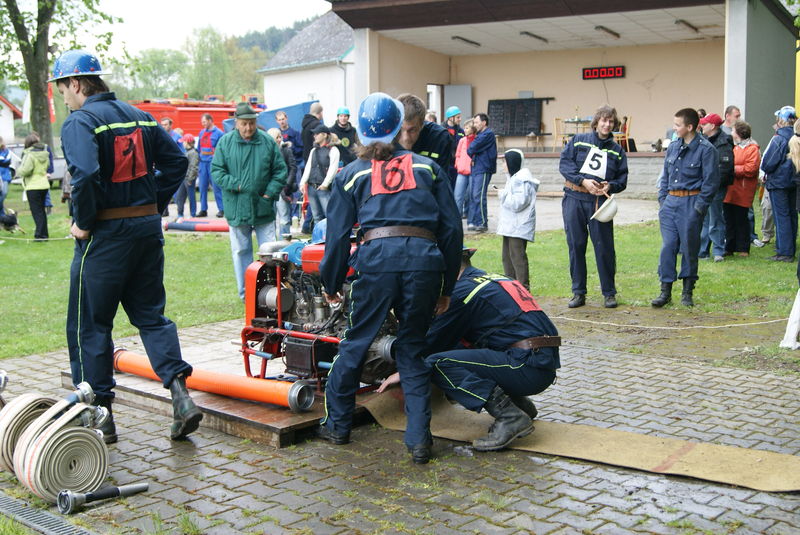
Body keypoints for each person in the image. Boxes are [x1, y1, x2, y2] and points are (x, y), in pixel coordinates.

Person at [52, 49, 202, 444]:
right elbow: (177, 163)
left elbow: (86, 174)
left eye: (62, 89)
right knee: (151, 317)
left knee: (90, 325)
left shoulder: (81, 121)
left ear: (76, 83)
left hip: (104, 236)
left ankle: (100, 416)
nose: (62, 98)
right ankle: (181, 395)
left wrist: (84, 222)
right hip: (145, 231)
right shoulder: (141, 116)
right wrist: (151, 204)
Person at [317, 92, 463, 464]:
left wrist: (331, 283)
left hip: (377, 263)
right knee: (412, 349)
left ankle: (337, 426)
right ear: (400, 128)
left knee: (356, 343)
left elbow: (336, 237)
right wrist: (446, 287)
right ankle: (419, 441)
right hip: (424, 265)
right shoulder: (429, 170)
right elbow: (451, 231)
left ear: (360, 133)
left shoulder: (350, 175)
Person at [378, 248, 560, 452]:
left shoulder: (461, 292)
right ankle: (518, 406)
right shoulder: (494, 279)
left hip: (525, 366)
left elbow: (433, 343)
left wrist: (405, 368)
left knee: (437, 363)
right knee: (462, 348)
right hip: (540, 363)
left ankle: (510, 417)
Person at [211, 102, 288, 300]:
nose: (248, 128)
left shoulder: (267, 142)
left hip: (263, 206)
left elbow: (280, 171)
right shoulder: (225, 143)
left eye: (251, 123)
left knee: (270, 251)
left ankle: (272, 291)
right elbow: (217, 171)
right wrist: (236, 185)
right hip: (237, 207)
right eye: (244, 124)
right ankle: (247, 294)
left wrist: (269, 193)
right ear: (236, 123)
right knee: (240, 251)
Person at [559, 105, 628, 308]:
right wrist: (582, 181)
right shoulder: (578, 140)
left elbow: (622, 179)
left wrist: (610, 186)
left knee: (604, 247)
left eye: (611, 122)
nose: (607, 125)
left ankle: (609, 293)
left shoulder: (617, 151)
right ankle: (578, 292)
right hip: (574, 198)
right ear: (596, 122)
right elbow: (565, 164)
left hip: (599, 203)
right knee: (576, 245)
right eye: (604, 120)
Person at [652, 108, 720, 308]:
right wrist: (663, 200)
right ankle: (665, 290)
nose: (674, 128)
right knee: (668, 247)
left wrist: (699, 207)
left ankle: (687, 291)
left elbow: (711, 182)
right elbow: (665, 176)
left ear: (689, 127)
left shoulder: (706, 150)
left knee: (690, 248)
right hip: (670, 203)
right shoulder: (673, 147)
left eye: (677, 125)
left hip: (691, 202)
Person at [497, 149, 539, 290]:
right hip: (510, 226)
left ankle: (523, 289)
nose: (502, 165)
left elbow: (518, 203)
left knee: (517, 257)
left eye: (504, 162)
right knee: (507, 258)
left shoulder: (522, 181)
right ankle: (511, 288)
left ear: (512, 162)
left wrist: (502, 195)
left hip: (518, 227)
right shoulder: (513, 179)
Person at [760, 106, 798, 262]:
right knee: (792, 216)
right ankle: (790, 248)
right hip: (794, 182)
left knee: (781, 216)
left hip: (779, 183)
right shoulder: (796, 137)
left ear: (781, 120)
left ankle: (784, 251)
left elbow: (768, 163)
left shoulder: (779, 139)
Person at [698, 113, 734, 262]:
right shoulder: (704, 140)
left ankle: (718, 251)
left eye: (704, 124)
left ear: (712, 126)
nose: (701, 126)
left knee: (715, 218)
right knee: (705, 219)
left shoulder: (724, 142)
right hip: (705, 186)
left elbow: (725, 167)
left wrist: (712, 185)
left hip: (716, 187)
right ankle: (703, 250)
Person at [723, 120, 760, 256]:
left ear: (739, 133)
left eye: (733, 130)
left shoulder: (752, 148)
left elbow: (751, 169)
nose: (731, 133)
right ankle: (729, 247)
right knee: (729, 219)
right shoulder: (734, 147)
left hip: (743, 189)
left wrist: (732, 169)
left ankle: (743, 248)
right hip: (730, 189)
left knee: (741, 219)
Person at [401, 94, 454, 173]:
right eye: (400, 130)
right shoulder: (387, 136)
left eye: (412, 130)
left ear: (422, 125)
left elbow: (443, 176)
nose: (405, 138)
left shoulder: (440, 137)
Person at [299, 124, 339, 226]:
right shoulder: (313, 150)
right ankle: (320, 235)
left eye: (317, 134)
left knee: (329, 215)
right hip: (311, 187)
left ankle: (330, 234)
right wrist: (302, 182)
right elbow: (308, 167)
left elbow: (333, 169)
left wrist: (325, 184)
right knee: (316, 216)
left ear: (325, 135)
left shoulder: (333, 150)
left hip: (324, 188)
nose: (314, 136)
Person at [466, 113, 497, 232]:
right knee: (474, 195)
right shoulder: (480, 135)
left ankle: (482, 223)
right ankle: (475, 221)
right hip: (477, 168)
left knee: (478, 195)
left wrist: (474, 150)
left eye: (477, 122)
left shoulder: (487, 134)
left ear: (484, 123)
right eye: (474, 122)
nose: (474, 125)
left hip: (484, 168)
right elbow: (471, 149)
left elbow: (471, 148)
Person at [18, 133, 51, 241]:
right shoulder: (45, 153)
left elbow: (26, 170)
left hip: (33, 185)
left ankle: (40, 235)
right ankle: (44, 234)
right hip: (44, 184)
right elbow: (48, 166)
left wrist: (18, 170)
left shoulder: (29, 154)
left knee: (36, 211)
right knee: (41, 210)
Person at [267, 127, 298, 237]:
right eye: (277, 137)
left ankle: (284, 241)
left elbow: (293, 168)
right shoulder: (266, 152)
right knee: (270, 219)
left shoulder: (286, 150)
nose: (279, 139)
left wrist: (287, 185)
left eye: (280, 136)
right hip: (269, 189)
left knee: (284, 219)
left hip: (283, 189)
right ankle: (271, 242)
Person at [197, 113, 225, 218]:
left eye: (204, 122)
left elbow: (222, 149)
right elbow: (199, 147)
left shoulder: (219, 133)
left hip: (213, 164)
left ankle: (222, 209)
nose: (203, 124)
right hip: (202, 163)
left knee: (216, 186)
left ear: (210, 120)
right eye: (202, 122)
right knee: (202, 187)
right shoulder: (201, 132)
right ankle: (203, 209)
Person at [454, 119, 475, 218]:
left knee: (469, 195)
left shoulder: (477, 140)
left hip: (472, 172)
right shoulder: (462, 140)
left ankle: (467, 213)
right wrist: (458, 164)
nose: (464, 130)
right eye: (464, 128)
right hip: (461, 172)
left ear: (473, 129)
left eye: (467, 128)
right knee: (458, 195)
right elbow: (457, 154)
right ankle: (456, 216)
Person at [174, 134, 198, 220]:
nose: (183, 143)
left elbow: (193, 167)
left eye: (184, 142)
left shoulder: (193, 153)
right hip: (183, 178)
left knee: (191, 197)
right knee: (180, 197)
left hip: (189, 179)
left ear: (187, 142)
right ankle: (180, 214)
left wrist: (190, 179)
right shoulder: (186, 152)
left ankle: (193, 214)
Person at [442, 105, 465, 186]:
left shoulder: (461, 131)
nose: (460, 119)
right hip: (445, 165)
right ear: (451, 118)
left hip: (456, 165)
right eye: (458, 117)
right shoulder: (441, 130)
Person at [0, 137, 13, 215]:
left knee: (4, 193)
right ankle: (2, 214)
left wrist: (1, 161)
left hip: (4, 176)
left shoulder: (6, 151)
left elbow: (7, 161)